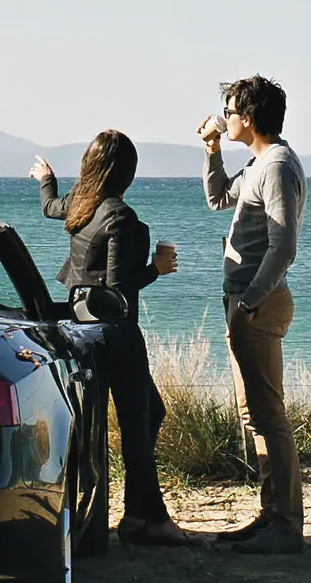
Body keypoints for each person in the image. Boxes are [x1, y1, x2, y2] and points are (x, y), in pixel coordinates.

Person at [30, 130, 196, 549]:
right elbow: (120, 289)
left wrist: (45, 178)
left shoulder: (80, 205)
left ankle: (134, 516)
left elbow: (51, 207)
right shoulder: (119, 217)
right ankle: (147, 519)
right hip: (115, 334)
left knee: (135, 418)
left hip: (78, 331)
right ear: (128, 173)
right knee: (140, 424)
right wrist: (157, 267)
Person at [200, 73, 307, 554]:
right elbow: (218, 198)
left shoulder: (278, 166)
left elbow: (283, 247)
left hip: (256, 304)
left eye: (229, 110)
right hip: (245, 302)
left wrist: (249, 303)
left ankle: (285, 525)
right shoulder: (259, 163)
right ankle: (271, 515)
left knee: (268, 414)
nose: (223, 118)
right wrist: (212, 152)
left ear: (248, 118)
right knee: (256, 415)